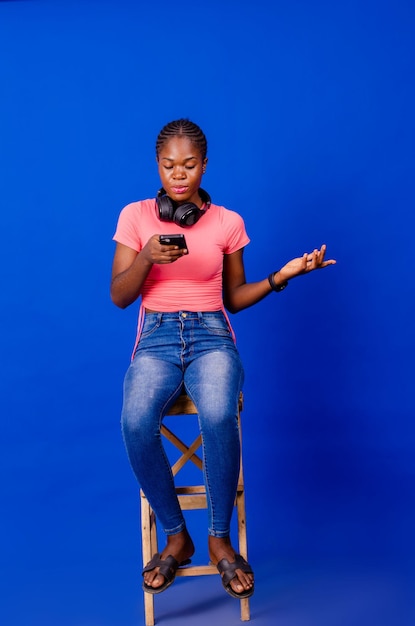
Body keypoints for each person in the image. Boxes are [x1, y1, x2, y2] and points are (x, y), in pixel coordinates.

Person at [110, 118, 336, 599]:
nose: (178, 174)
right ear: (157, 166)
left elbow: (233, 297)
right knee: (134, 422)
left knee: (218, 414)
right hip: (157, 337)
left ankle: (218, 538)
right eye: (169, 165)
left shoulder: (228, 222)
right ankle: (177, 535)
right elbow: (118, 296)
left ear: (205, 165)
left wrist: (284, 275)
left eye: (189, 165)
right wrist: (147, 257)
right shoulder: (134, 216)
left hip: (212, 334)